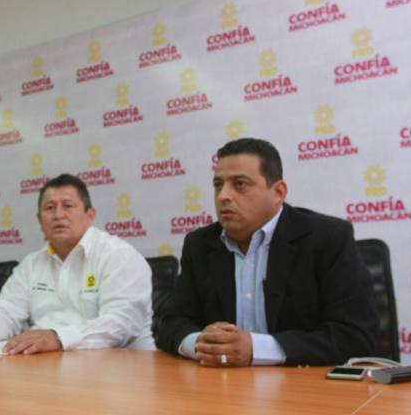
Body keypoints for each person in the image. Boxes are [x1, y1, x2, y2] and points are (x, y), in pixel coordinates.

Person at [155, 138, 377, 366]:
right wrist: (202, 343)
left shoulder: (327, 238)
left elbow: (356, 337)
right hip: (224, 383)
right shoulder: (200, 244)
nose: (223, 196)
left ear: (278, 192)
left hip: (303, 383)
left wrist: (256, 349)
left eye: (240, 184)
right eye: (218, 185)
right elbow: (170, 323)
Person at [0, 173, 155, 354]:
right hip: (48, 367)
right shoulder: (32, 264)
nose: (58, 215)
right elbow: (6, 311)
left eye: (68, 206)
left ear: (90, 215)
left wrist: (59, 337)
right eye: (50, 208)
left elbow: (121, 323)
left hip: (119, 371)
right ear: (39, 220)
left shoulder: (119, 256)